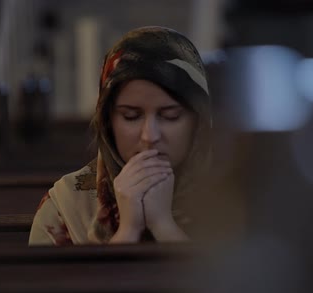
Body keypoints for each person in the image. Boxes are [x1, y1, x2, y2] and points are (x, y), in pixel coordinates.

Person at [29, 26, 212, 245]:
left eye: (170, 116)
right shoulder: (66, 204)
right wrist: (128, 231)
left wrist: (163, 225)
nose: (149, 136)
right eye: (131, 116)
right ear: (108, 122)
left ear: (198, 122)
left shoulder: (233, 196)